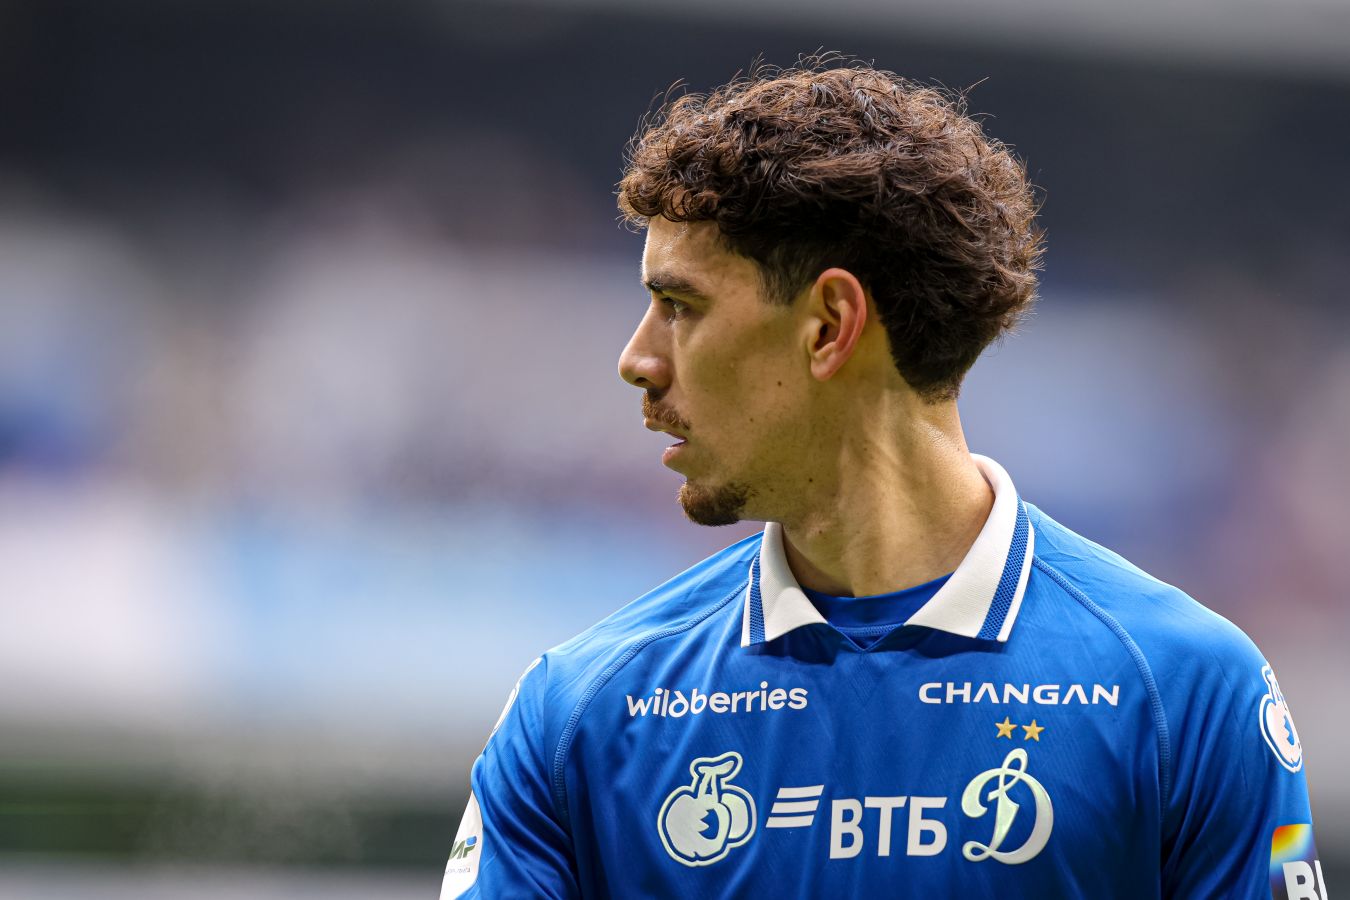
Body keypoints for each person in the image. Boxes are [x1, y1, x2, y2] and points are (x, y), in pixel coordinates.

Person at [440, 62, 1321, 899]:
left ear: (830, 325)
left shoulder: (1190, 691)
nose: (637, 359)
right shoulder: (579, 713)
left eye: (681, 306)